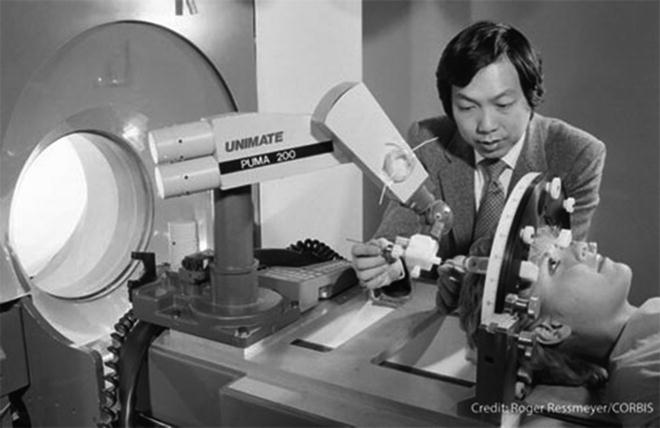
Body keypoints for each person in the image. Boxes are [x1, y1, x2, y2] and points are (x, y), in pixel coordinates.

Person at [351, 21, 606, 310]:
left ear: (531, 95)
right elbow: (398, 235)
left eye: (503, 105)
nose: (486, 126)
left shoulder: (577, 154)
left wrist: (471, 281)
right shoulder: (428, 141)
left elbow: (559, 278)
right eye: (467, 107)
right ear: (449, 105)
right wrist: (385, 266)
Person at [456, 227, 659, 427]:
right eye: (554, 264)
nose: (582, 247)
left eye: (566, 244)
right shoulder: (643, 379)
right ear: (551, 329)